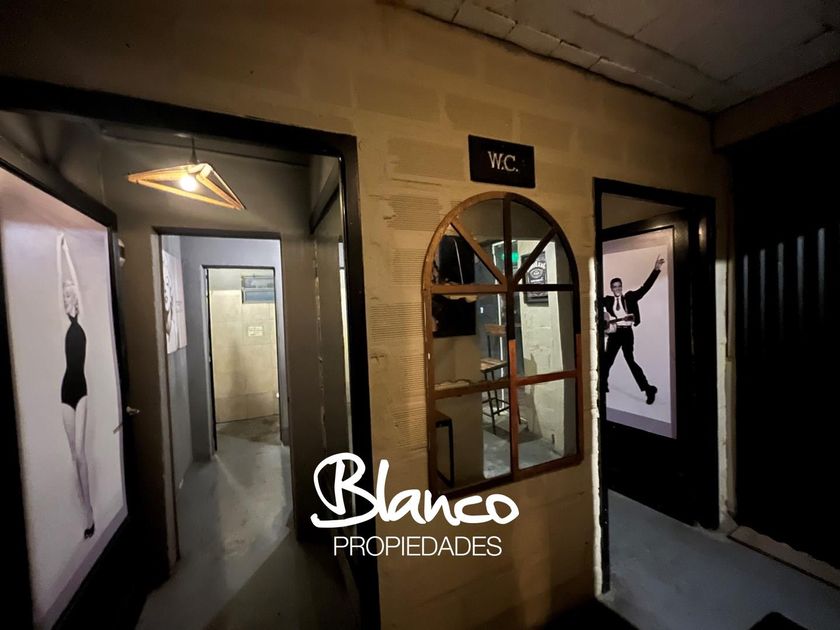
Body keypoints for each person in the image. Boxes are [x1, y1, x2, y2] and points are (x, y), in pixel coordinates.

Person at [57, 233, 94, 539]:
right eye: (66, 297)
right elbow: (60, 283)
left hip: (80, 389)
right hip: (65, 391)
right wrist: (58, 255)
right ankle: (84, 510)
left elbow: (75, 283)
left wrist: (66, 251)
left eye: (71, 296)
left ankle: (89, 512)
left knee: (80, 454)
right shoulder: (64, 322)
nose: (69, 300)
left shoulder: (83, 323)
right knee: (72, 455)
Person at [602, 255, 665, 404]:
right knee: (607, 360)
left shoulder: (630, 297)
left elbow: (644, 288)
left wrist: (656, 270)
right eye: (614, 287)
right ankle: (603, 385)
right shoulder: (608, 300)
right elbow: (593, 301)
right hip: (614, 334)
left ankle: (648, 389)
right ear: (611, 288)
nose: (617, 289)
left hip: (627, 334)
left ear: (621, 287)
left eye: (619, 286)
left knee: (630, 361)